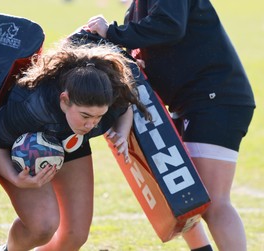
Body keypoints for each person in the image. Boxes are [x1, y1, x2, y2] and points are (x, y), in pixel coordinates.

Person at [87, 1, 255, 251]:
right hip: (190, 102)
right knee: (184, 195)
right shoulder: (135, 9)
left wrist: (111, 32)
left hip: (215, 98)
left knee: (214, 202)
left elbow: (170, 25)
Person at [0, 40, 150, 251]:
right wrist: (15, 179)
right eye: (85, 115)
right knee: (42, 227)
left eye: (98, 116)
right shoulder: (31, 107)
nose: (92, 124)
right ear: (65, 100)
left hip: (71, 145)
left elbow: (124, 108)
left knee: (74, 237)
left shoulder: (107, 103)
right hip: (21, 149)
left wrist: (121, 131)